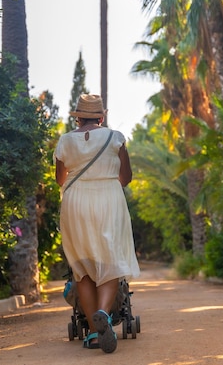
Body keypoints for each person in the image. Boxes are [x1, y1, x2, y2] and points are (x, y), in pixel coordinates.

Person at [54, 94, 140, 354]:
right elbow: (125, 178)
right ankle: (104, 313)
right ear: (101, 117)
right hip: (108, 200)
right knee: (110, 262)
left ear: (78, 117)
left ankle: (93, 332)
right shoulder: (115, 138)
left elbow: (60, 180)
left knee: (82, 268)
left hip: (76, 202)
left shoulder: (65, 141)